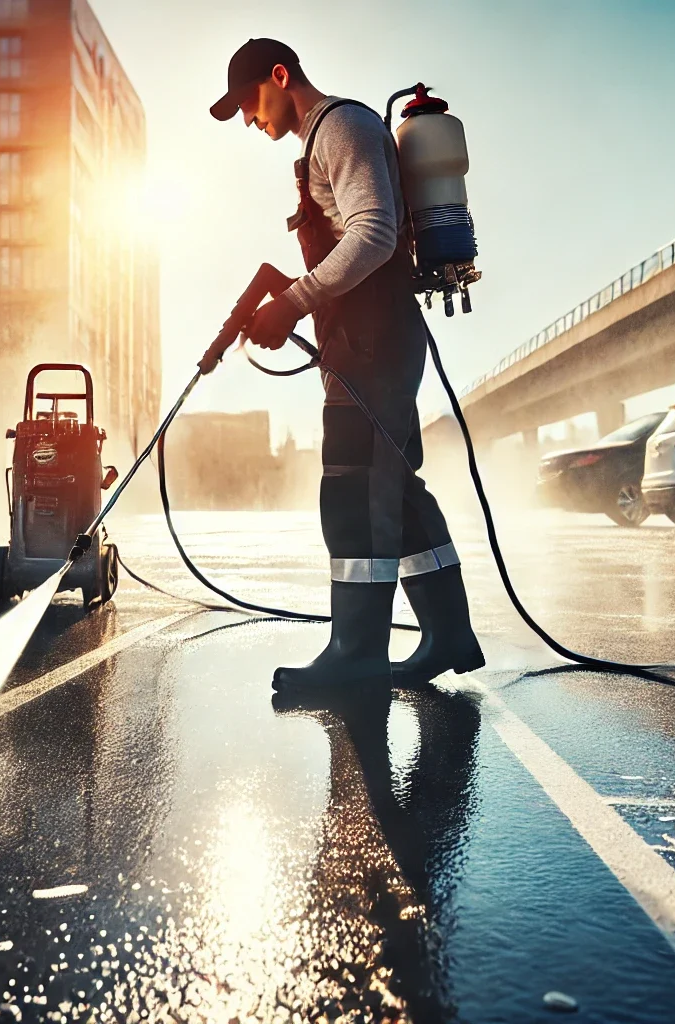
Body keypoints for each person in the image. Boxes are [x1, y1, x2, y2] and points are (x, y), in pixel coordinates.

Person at [209, 38, 483, 693]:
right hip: (364, 339)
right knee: (393, 488)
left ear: (280, 76)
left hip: (374, 337)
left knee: (352, 491)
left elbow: (374, 232)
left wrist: (295, 303)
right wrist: (289, 305)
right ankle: (448, 633)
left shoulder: (344, 127)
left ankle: (356, 651)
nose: (250, 119)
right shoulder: (320, 143)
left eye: (250, 101)